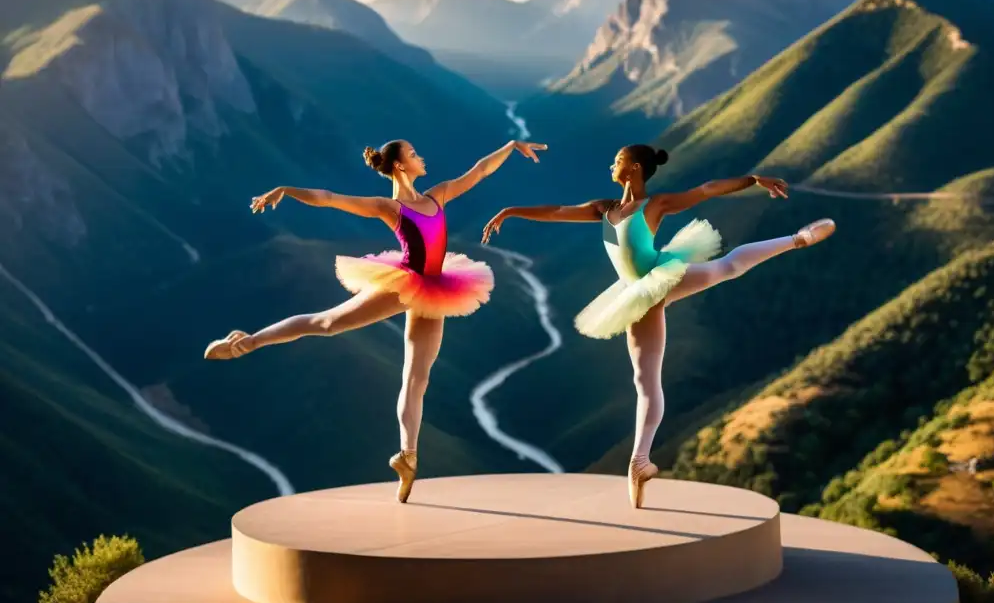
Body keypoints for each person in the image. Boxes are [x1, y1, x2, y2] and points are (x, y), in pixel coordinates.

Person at [482, 144, 834, 508]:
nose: (610, 165)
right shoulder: (604, 209)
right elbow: (556, 212)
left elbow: (705, 190)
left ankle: (797, 240)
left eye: (616, 161)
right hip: (635, 292)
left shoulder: (655, 205)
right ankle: (639, 461)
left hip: (658, 276)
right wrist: (511, 211)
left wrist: (753, 179)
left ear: (633, 168)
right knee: (644, 379)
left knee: (726, 267)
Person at [205, 138, 547, 502]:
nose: (421, 156)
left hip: (437, 286)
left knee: (417, 377)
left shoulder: (437, 196)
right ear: (400, 166)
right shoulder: (390, 207)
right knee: (328, 323)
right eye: (414, 154)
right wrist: (287, 190)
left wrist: (510, 146)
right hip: (403, 283)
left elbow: (479, 171)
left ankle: (407, 455)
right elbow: (329, 198)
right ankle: (247, 340)